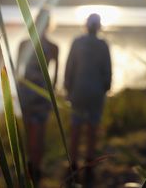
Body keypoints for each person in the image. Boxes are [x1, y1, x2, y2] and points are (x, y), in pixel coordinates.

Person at [64, 13, 112, 185]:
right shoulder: (103, 45)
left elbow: (69, 66)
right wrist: (105, 88)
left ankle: (73, 163)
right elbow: (108, 71)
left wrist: (67, 88)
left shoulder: (77, 42)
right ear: (98, 26)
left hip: (78, 91)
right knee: (92, 127)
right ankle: (89, 164)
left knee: (76, 126)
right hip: (95, 93)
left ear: (86, 25)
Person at [16, 9, 59, 185]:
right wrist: (52, 92)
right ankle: (36, 167)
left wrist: (19, 90)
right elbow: (56, 75)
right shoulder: (53, 46)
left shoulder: (25, 43)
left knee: (31, 132)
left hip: (29, 93)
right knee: (37, 133)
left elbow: (16, 71)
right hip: (41, 93)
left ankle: (33, 166)